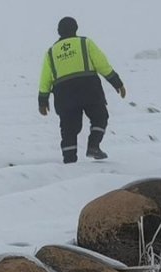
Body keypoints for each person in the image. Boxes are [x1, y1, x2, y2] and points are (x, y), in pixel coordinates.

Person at [38, 17, 127, 163]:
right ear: (76, 28)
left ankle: (69, 161)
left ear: (59, 31)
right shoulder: (85, 43)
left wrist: (42, 100)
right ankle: (93, 146)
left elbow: (45, 78)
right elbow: (102, 64)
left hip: (63, 94)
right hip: (88, 88)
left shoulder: (51, 52)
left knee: (68, 128)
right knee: (99, 117)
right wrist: (117, 83)